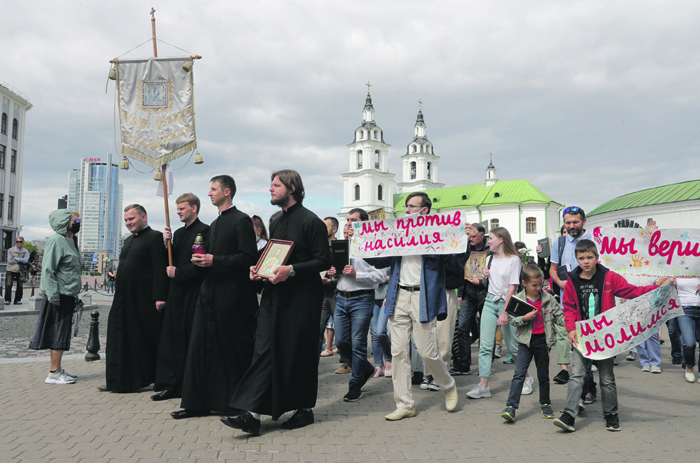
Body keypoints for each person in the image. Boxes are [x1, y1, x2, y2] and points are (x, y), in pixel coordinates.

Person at [221, 169, 331, 435]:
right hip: (274, 296)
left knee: (297, 353)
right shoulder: (277, 220)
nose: (270, 189)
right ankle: (253, 413)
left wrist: (290, 270)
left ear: (292, 187)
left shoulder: (311, 221)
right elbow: (274, 255)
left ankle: (303, 409)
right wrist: (259, 270)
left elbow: (323, 260)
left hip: (301, 299)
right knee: (264, 351)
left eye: (275, 185)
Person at [364, 192, 468, 421]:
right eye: (406, 207)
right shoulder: (398, 232)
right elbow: (380, 259)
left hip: (424, 298)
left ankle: (448, 384)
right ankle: (404, 403)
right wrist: (360, 241)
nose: (407, 211)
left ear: (425, 210)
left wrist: (464, 240)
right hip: (398, 295)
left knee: (427, 351)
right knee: (398, 351)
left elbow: (454, 263)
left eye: (412, 207)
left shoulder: (437, 234)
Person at [553, 239, 673, 433]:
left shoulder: (609, 277)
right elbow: (569, 307)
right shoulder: (571, 281)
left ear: (597, 257)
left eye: (589, 257)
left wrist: (657, 286)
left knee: (606, 377)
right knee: (576, 375)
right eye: (581, 258)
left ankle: (611, 414)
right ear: (576, 259)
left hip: (604, 337)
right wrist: (571, 329)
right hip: (582, 336)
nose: (586, 261)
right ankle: (569, 415)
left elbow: (632, 291)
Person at [171, 176, 259, 419]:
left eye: (213, 189)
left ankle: (231, 403)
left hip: (231, 297)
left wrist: (214, 260)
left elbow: (248, 258)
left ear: (227, 192)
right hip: (208, 294)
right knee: (199, 347)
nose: (209, 193)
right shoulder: (215, 222)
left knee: (228, 350)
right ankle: (195, 403)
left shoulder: (241, 220)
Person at [99, 204, 169, 393]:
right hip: (123, 298)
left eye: (132, 219)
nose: (128, 223)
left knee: (138, 341)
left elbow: (159, 268)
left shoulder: (155, 237)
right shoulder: (129, 240)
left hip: (143, 299)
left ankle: (136, 380)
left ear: (143, 217)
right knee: (118, 338)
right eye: (126, 220)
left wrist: (160, 296)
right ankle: (116, 379)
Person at [151, 193, 210, 402]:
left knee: (188, 340)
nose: (178, 212)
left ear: (194, 208)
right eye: (176, 209)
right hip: (175, 293)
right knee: (170, 341)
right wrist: (166, 242)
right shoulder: (178, 232)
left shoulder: (204, 231)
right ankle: (170, 384)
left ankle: (188, 385)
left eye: (182, 208)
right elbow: (169, 260)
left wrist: (179, 273)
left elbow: (200, 264)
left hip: (192, 294)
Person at [327, 208, 386, 402]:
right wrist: (334, 271)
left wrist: (356, 274)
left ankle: (355, 385)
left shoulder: (372, 245)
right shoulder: (343, 245)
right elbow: (336, 273)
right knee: (342, 342)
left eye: (354, 220)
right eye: (348, 220)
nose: (349, 224)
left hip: (362, 298)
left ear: (364, 223)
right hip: (342, 297)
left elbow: (379, 277)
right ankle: (366, 368)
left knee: (358, 344)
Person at [500, 264, 568, 422]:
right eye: (534, 285)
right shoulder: (518, 300)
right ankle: (511, 407)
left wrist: (570, 326)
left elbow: (559, 316)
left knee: (543, 376)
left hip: (543, 342)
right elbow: (512, 319)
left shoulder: (548, 299)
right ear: (524, 283)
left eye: (541, 284)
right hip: (525, 342)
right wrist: (524, 318)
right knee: (519, 375)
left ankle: (545, 403)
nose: (538, 288)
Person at [467, 227, 528, 399]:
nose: (488, 242)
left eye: (491, 238)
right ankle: (483, 386)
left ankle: (526, 378)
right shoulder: (490, 259)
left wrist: (504, 312)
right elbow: (488, 285)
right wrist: (485, 276)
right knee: (485, 346)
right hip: (489, 301)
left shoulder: (514, 260)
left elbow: (512, 288)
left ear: (501, 239)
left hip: (507, 303)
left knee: (513, 346)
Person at [28, 210, 82, 384]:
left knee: (63, 332)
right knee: (57, 332)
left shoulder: (71, 241)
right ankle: (53, 373)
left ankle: (57, 370)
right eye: (75, 219)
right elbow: (48, 270)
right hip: (58, 294)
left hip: (68, 294)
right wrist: (53, 294)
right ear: (65, 222)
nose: (78, 222)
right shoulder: (56, 240)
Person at [550, 208, 592, 385]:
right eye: (568, 223)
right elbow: (552, 269)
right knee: (563, 335)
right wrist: (560, 283)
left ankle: (586, 381)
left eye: (575, 222)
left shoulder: (593, 240)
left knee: (583, 340)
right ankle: (564, 370)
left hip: (588, 300)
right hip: (565, 301)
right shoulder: (559, 243)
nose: (571, 226)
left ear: (584, 221)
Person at [452, 223, 489, 376]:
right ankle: (464, 363)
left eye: (474, 236)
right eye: (470, 236)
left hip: (485, 293)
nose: (471, 239)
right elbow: (460, 270)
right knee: (462, 328)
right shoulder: (465, 248)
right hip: (468, 292)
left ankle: (486, 364)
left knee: (486, 330)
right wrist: (460, 293)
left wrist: (481, 281)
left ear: (482, 235)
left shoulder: (489, 251)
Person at [320, 216, 339, 358]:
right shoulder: (319, 246)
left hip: (336, 292)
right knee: (318, 328)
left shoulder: (340, 247)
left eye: (325, 226)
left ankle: (346, 361)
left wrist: (332, 281)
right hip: (321, 292)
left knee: (340, 329)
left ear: (334, 229)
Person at [677, 278, 700, 383]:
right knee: (689, 343)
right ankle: (689, 367)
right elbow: (660, 283)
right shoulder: (678, 270)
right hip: (685, 309)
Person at [5, 236, 29, 305]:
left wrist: (16, 258)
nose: (19, 243)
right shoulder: (10, 250)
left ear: (22, 242)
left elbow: (26, 260)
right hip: (10, 269)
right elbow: (9, 260)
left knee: (20, 286)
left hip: (20, 270)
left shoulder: (25, 250)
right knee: (8, 285)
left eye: (20, 242)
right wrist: (21, 260)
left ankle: (17, 300)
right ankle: (7, 300)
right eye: (17, 241)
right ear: (15, 242)